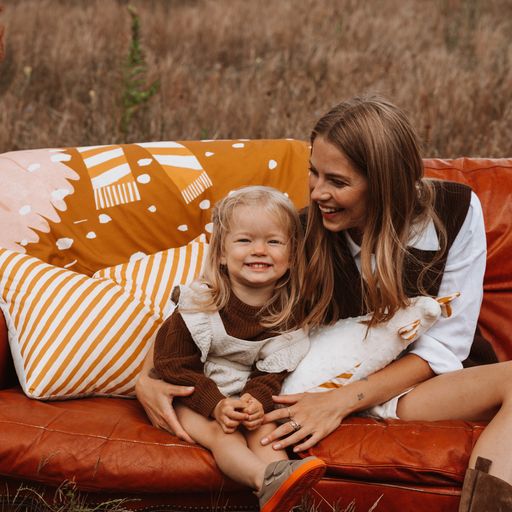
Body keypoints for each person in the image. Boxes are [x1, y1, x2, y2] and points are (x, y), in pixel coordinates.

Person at [136, 96, 512, 511]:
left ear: (385, 182)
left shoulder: (455, 210)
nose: (317, 193)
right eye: (314, 173)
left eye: (337, 181)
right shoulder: (298, 233)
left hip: (413, 386)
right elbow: (212, 304)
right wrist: (146, 376)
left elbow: (446, 346)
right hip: (322, 379)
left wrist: (341, 403)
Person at [151, 186, 326, 512]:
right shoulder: (200, 304)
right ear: (220, 252)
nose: (259, 250)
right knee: (225, 435)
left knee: (265, 430)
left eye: (273, 242)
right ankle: (265, 482)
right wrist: (215, 405)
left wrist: (254, 401)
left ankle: (286, 486)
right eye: (245, 240)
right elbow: (173, 364)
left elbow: (270, 374)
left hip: (242, 394)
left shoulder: (287, 315)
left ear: (290, 257)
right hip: (192, 395)